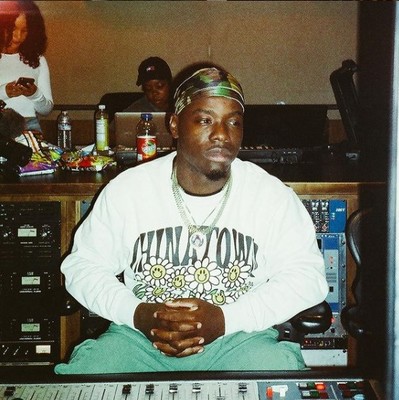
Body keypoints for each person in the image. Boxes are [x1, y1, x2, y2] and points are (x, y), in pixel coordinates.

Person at [55, 66, 328, 374]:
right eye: (204, 120)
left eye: (233, 122)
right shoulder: (128, 190)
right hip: (139, 340)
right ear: (174, 124)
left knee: (277, 372)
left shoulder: (271, 195)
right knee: (89, 373)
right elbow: (82, 267)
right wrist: (138, 314)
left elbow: (307, 278)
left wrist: (227, 319)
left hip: (239, 340)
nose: (222, 135)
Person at [0, 0, 53, 133]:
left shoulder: (37, 60)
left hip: (29, 125)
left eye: (24, 30)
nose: (18, 37)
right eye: (12, 29)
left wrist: (34, 94)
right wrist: (4, 92)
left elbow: (47, 109)